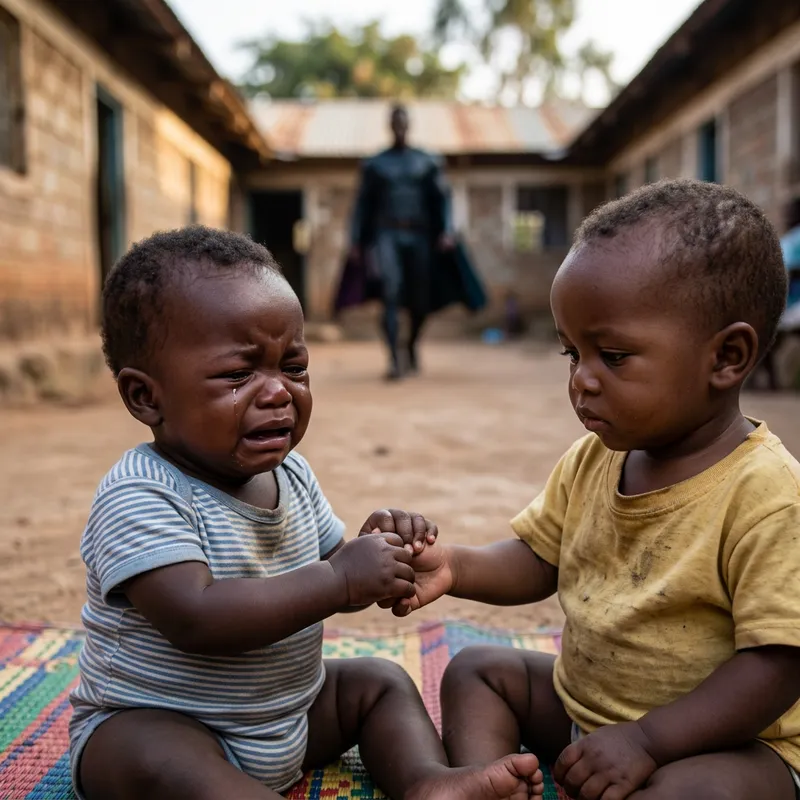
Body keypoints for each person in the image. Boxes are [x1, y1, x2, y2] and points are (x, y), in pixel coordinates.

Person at [68, 226, 542, 800]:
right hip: (172, 724)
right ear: (146, 397)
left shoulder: (290, 475)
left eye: (293, 367)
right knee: (150, 752)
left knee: (378, 681)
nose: (278, 393)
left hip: (289, 715)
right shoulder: (139, 494)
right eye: (239, 374)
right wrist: (339, 580)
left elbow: (332, 562)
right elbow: (196, 617)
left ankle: (425, 783)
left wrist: (382, 553)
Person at [387, 180, 800, 799]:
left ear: (727, 358)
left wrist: (649, 741)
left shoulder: (767, 494)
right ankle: (490, 785)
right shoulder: (595, 459)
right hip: (586, 713)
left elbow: (777, 665)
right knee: (476, 670)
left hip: (724, 744)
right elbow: (538, 560)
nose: (582, 381)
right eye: (571, 354)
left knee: (703, 790)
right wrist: (454, 565)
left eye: (612, 355)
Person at [347, 104, 455, 380]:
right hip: (387, 234)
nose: (399, 126)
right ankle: (394, 359)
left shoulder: (426, 161)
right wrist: (356, 240)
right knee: (391, 292)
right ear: (390, 125)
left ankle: (411, 344)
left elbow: (442, 199)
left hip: (419, 235)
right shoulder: (375, 164)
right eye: (395, 122)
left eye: (403, 121)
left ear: (409, 124)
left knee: (420, 300)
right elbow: (362, 205)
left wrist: (447, 230)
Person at [759, 197, 800, 390]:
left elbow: (790, 273)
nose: (786, 218)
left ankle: (770, 382)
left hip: (793, 304)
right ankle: (771, 382)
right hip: (789, 304)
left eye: (791, 214)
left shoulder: (795, 239)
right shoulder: (790, 239)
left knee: (766, 334)